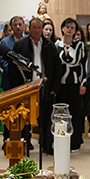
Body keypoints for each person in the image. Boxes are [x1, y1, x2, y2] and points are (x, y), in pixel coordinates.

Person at [16, 17, 61, 153]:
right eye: (33, 27)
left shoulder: (49, 45)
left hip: (45, 89)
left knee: (46, 120)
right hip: (26, 89)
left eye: (39, 28)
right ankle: (25, 144)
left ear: (42, 30)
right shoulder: (20, 45)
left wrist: (54, 88)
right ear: (28, 29)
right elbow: (13, 69)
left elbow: (58, 68)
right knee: (24, 119)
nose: (36, 30)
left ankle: (46, 145)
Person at [56, 17, 90, 151]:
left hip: (75, 84)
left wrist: (83, 83)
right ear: (62, 28)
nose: (69, 29)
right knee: (61, 114)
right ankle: (61, 141)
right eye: (67, 27)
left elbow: (83, 65)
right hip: (60, 85)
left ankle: (75, 142)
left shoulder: (80, 46)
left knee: (75, 114)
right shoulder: (57, 45)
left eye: (72, 28)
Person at [0, 15, 28, 89]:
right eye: (15, 25)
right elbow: (1, 60)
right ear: (11, 27)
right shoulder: (5, 42)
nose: (18, 27)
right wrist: (12, 70)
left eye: (20, 24)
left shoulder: (29, 40)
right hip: (9, 79)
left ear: (23, 26)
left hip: (26, 79)